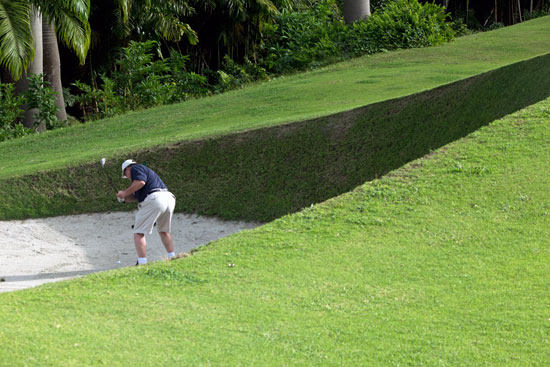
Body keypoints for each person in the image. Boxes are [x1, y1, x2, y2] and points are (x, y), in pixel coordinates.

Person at [117, 159, 176, 265]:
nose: (128, 177)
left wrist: (124, 192)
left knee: (138, 232)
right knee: (164, 231)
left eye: (126, 174)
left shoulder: (135, 168)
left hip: (155, 199)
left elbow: (140, 182)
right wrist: (124, 197)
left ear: (127, 168)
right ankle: (173, 256)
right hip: (168, 198)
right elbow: (135, 196)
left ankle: (142, 262)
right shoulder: (145, 174)